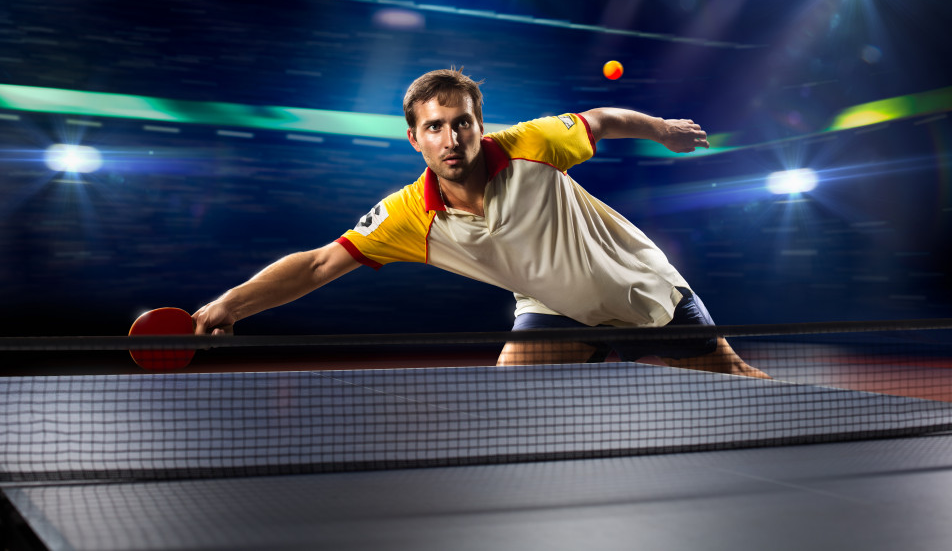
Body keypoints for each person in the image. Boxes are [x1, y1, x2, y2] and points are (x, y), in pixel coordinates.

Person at [194, 68, 767, 378]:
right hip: (555, 311)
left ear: (479, 124)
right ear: (415, 138)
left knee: (738, 386)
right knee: (502, 401)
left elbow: (603, 119)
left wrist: (661, 128)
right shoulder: (408, 215)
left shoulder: (532, 144)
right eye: (436, 127)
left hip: (641, 290)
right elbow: (320, 262)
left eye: (462, 123)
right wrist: (230, 305)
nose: (452, 138)